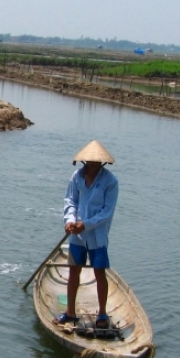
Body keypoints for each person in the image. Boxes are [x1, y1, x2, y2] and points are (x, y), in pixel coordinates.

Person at [53, 140, 119, 329]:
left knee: (99, 272)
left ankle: (103, 313)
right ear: (85, 161)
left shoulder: (110, 182)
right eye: (90, 161)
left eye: (97, 162)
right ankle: (70, 312)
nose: (93, 164)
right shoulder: (77, 177)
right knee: (74, 270)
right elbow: (70, 201)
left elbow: (107, 212)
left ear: (102, 163)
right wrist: (70, 221)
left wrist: (86, 225)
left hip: (97, 235)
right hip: (77, 235)